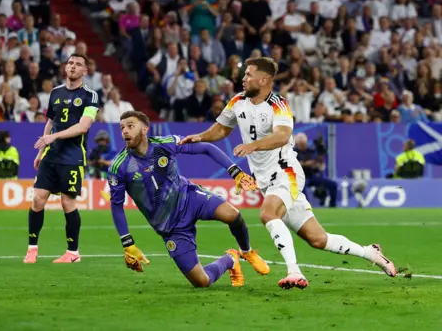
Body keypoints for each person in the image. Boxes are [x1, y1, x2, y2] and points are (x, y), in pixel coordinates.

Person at [179, 57, 397, 289]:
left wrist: (252, 146)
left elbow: (282, 135)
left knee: (267, 214)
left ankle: (294, 272)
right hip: (267, 180)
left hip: (286, 173)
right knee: (317, 239)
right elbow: (222, 128)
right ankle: (371, 253)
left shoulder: (278, 104)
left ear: (263, 80)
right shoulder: (237, 102)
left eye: (248, 75)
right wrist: (201, 136)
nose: (243, 78)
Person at [108, 110, 270, 288]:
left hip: (190, 199)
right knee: (202, 282)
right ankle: (230, 259)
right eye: (122, 127)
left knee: (233, 215)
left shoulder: (165, 144)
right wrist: (127, 243)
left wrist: (235, 171)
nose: (125, 131)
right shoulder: (119, 166)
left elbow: (206, 148)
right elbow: (116, 205)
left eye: (130, 126)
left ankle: (246, 251)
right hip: (170, 228)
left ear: (145, 129)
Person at [25, 54, 99, 264]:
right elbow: (50, 122)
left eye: (78, 64)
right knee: (38, 199)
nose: (73, 66)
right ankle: (32, 248)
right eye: (70, 63)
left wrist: (54, 136)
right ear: (66, 68)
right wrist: (41, 151)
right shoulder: (56, 92)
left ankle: (73, 252)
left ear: (85, 71)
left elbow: (83, 126)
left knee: (67, 202)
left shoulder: (90, 96)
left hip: (73, 156)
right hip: (52, 154)